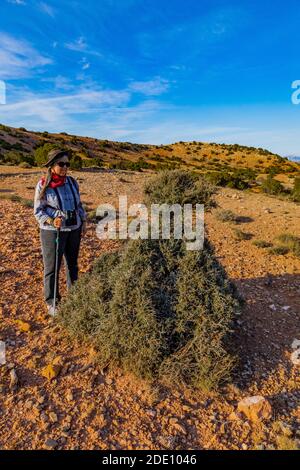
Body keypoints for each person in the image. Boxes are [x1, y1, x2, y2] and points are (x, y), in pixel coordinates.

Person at [34, 149, 87, 316]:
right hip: (53, 231)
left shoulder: (72, 182)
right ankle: (52, 302)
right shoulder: (43, 184)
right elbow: (38, 211)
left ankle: (75, 297)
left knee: (72, 264)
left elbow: (78, 205)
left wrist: (83, 221)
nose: (65, 167)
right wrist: (51, 220)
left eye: (67, 164)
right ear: (51, 166)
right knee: (52, 267)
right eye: (61, 164)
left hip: (73, 228)